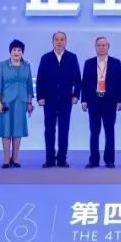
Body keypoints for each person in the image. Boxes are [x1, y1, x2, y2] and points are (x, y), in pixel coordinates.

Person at [35, 31, 81, 168]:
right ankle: (49, 159)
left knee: (64, 130)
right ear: (53, 42)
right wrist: (40, 97)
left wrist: (76, 95)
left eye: (62, 39)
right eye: (57, 39)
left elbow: (77, 79)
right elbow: (40, 79)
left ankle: (62, 159)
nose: (59, 42)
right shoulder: (46, 58)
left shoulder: (72, 57)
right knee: (49, 130)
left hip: (66, 100)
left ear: (65, 42)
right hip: (49, 100)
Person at [80, 36, 121, 168]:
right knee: (94, 131)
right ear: (95, 47)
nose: (101, 48)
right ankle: (93, 160)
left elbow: (120, 83)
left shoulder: (116, 63)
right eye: (99, 45)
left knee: (109, 131)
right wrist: (84, 99)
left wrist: (120, 100)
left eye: (104, 45)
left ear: (108, 47)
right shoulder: (89, 63)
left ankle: (109, 160)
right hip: (94, 101)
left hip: (110, 101)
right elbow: (84, 83)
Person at [0, 39, 35, 168]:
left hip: (21, 101)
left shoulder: (27, 65)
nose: (16, 52)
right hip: (5, 101)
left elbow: (29, 85)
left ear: (22, 52)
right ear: (10, 51)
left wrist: (29, 103)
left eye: (19, 50)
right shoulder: (2, 65)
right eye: (14, 50)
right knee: (6, 131)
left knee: (18, 131)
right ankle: (6, 160)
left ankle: (15, 159)